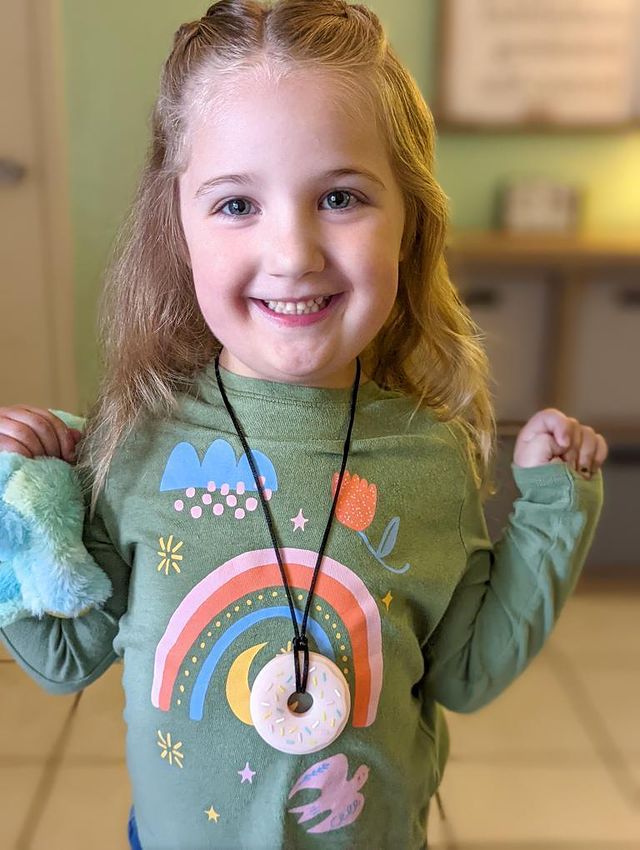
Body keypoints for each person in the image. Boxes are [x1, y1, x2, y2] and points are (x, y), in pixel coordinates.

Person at [0, 1, 607, 848]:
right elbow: (62, 658)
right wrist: (16, 508)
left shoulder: (430, 455)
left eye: (341, 196)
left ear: (411, 219)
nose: (293, 253)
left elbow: (465, 673)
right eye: (237, 205)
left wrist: (553, 511)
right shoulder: (134, 442)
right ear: (178, 221)